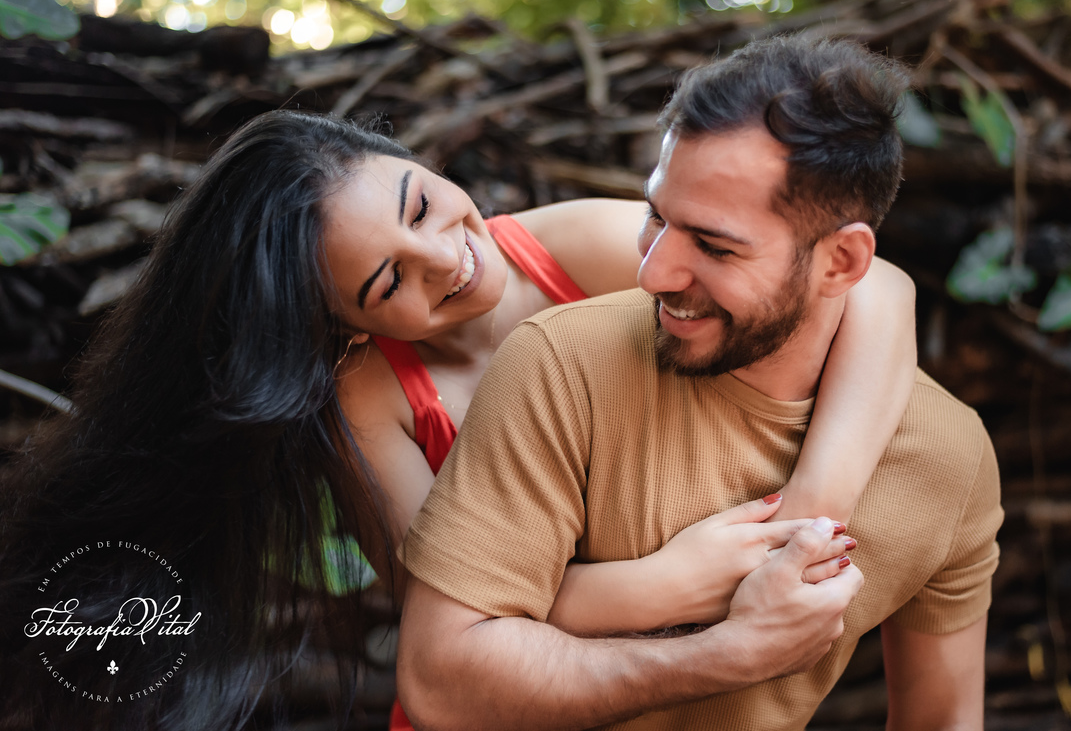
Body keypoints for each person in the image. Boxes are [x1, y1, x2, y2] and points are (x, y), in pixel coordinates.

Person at [0, 98, 913, 731]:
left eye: (424, 204)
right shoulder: (371, 400)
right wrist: (674, 581)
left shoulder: (578, 248)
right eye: (388, 280)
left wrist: (810, 511)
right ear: (343, 325)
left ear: (419, 162)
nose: (446, 258)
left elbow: (876, 290)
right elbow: (455, 610)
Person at [397, 35, 1004, 731]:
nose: (654, 273)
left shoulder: (950, 457)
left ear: (841, 262)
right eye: (656, 215)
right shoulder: (560, 365)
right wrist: (731, 654)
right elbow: (441, 684)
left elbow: (944, 718)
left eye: (714, 246)